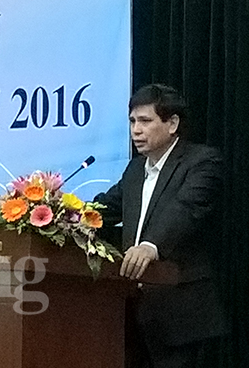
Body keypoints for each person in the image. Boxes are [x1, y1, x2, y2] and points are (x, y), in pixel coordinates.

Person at [94, 84, 227, 368]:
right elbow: (104, 210)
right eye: (132, 121)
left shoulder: (202, 162)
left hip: (181, 315)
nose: (136, 130)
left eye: (145, 121)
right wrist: (57, 214)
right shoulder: (134, 170)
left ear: (172, 124)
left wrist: (150, 246)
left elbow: (186, 210)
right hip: (132, 314)